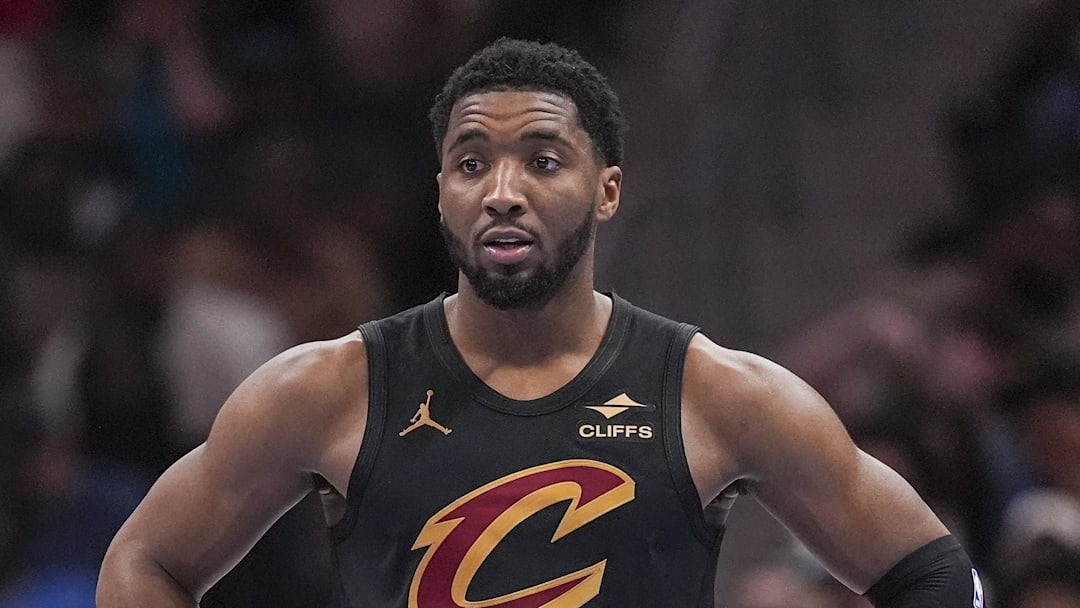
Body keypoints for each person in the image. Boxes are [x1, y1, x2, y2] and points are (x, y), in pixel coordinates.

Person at [97, 38, 982, 607]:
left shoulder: (716, 392)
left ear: (608, 191)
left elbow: (935, 574)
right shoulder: (330, 387)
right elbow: (143, 562)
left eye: (543, 160)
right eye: (471, 163)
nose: (502, 192)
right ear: (441, 193)